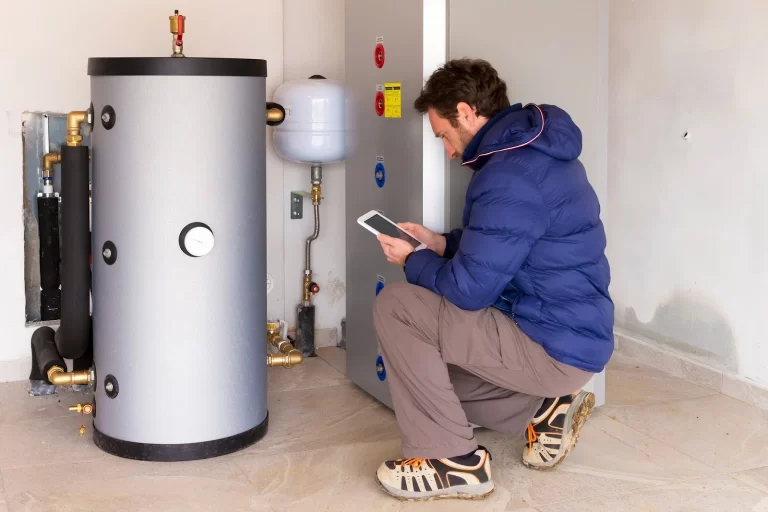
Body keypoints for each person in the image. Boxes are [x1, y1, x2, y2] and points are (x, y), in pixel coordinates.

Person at [372, 59, 614, 501]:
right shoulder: (532, 156)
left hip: (551, 344)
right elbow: (510, 247)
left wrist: (413, 260)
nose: (447, 150)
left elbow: (469, 291)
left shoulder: (509, 175)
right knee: (428, 384)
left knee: (398, 306)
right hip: (568, 337)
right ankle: (541, 410)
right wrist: (441, 244)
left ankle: (453, 463)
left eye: (443, 134)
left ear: (465, 112)